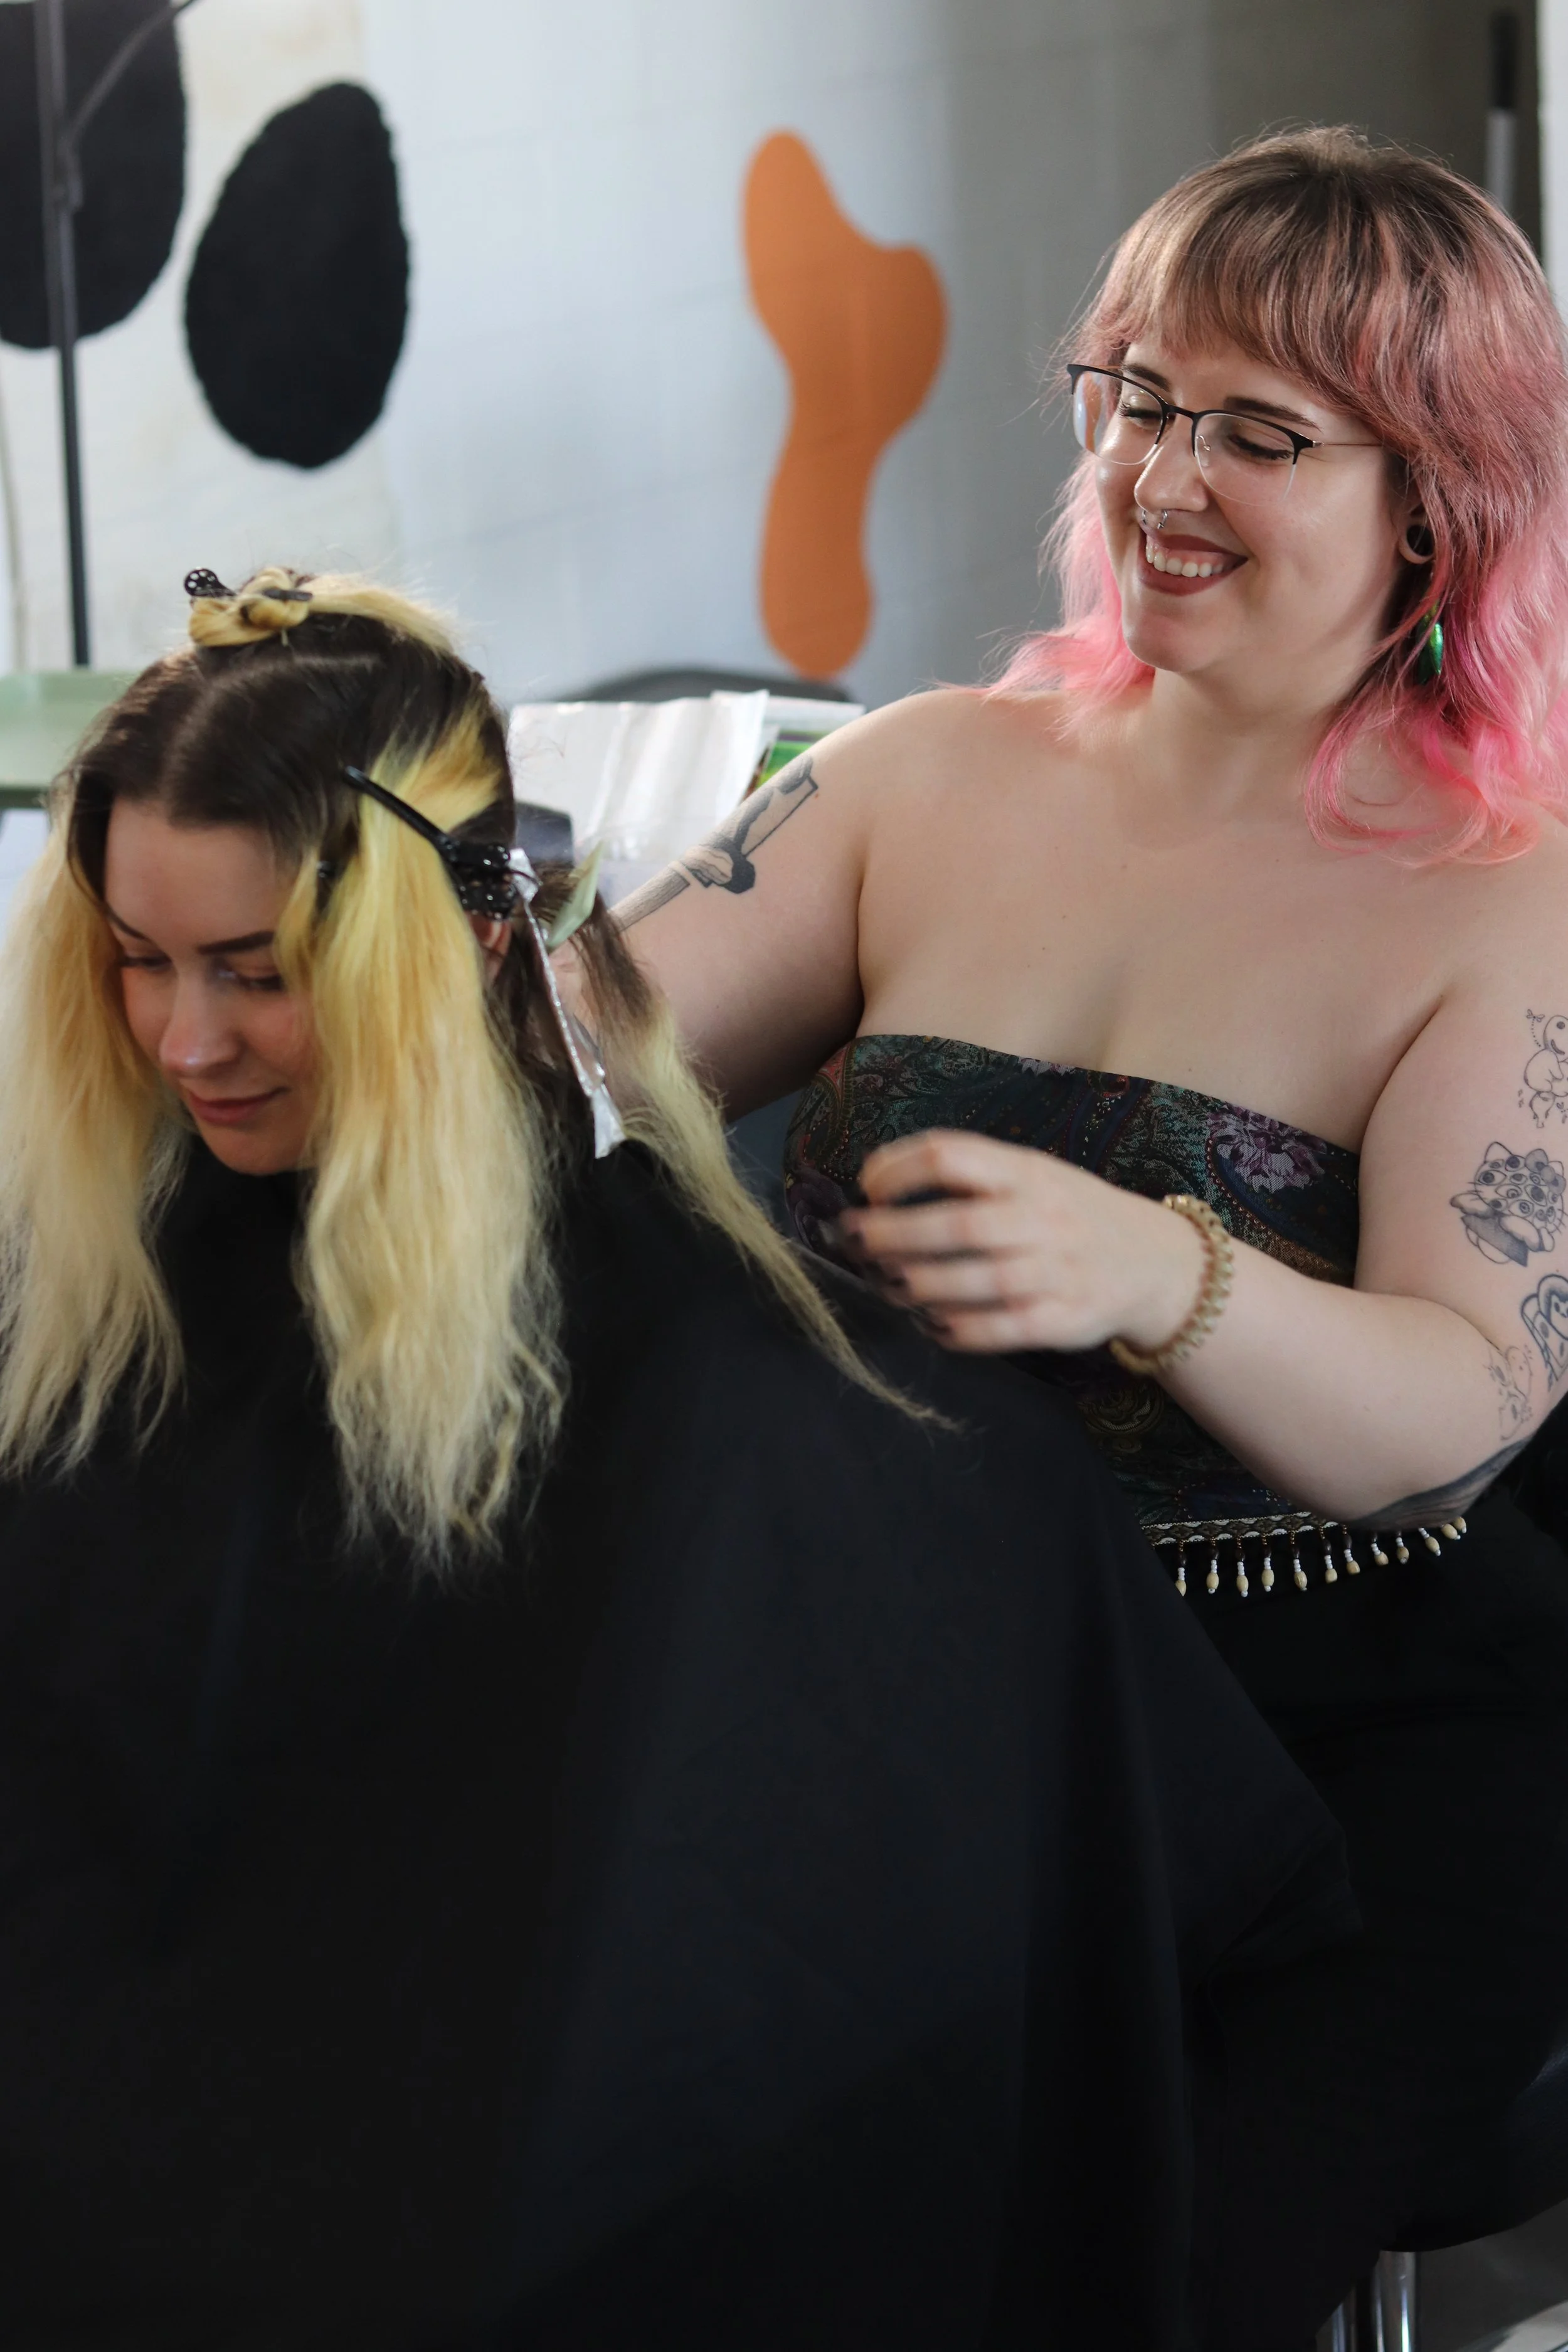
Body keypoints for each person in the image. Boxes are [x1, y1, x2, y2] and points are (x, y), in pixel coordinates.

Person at [0, 568, 1343, 2351]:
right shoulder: (89, 1305)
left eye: (259, 972)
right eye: (139, 958)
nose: (186, 1038)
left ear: (473, 939)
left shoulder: (742, 1400)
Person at [607, 129, 1568, 2349]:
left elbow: (1460, 1400)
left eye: (1256, 431)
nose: (1158, 473)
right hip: (907, 1679)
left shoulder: (1508, 895)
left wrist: (1163, 1276)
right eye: (1134, 396)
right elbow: (568, 1060)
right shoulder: (923, 774)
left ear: (1436, 500)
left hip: (1346, 1733)